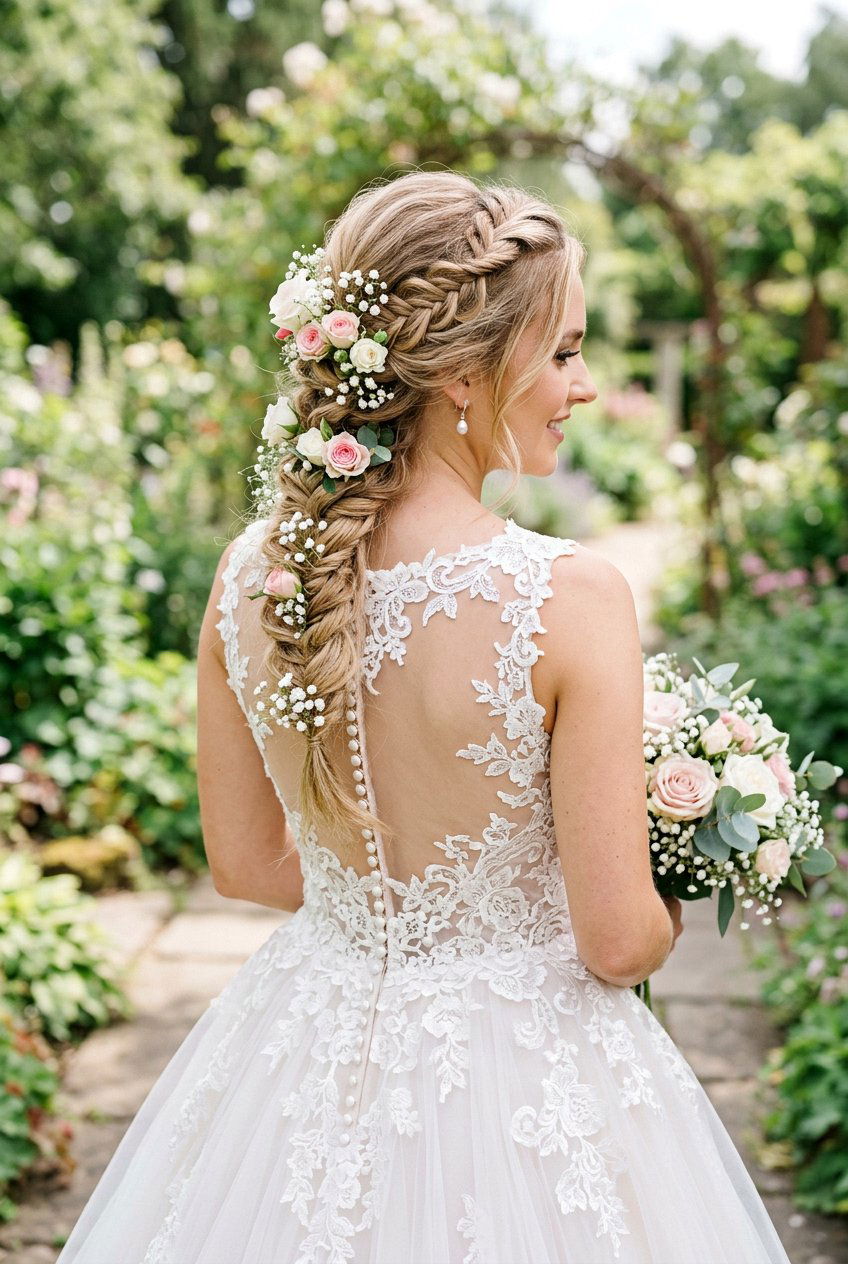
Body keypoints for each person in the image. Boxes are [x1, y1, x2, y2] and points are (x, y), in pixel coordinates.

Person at [57, 170, 790, 1263]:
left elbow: (245, 865)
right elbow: (615, 943)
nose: (587, 386)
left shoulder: (249, 577)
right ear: (459, 372)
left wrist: (390, 915)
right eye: (564, 352)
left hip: (303, 1042)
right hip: (524, 1077)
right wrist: (670, 880)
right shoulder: (570, 598)